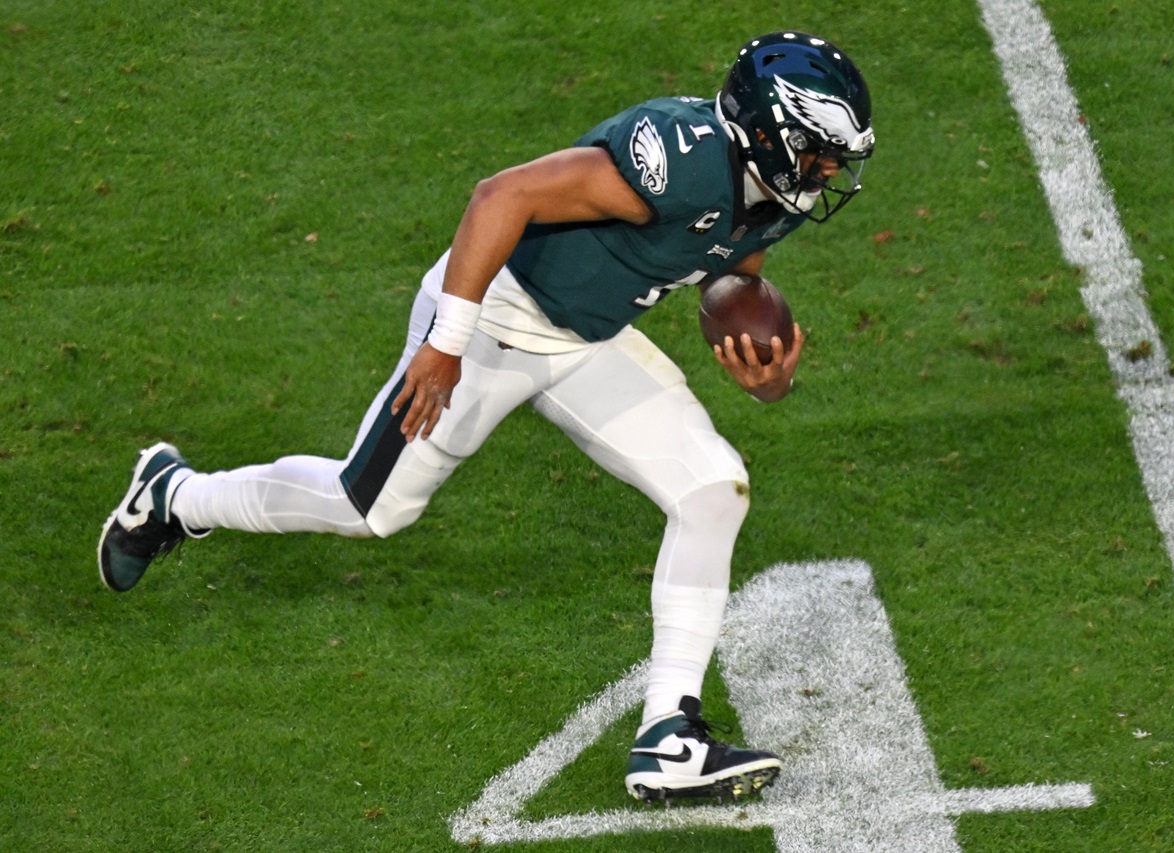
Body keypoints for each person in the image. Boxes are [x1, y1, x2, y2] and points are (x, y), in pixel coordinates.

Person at [96, 31, 875, 803]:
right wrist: (447, 340)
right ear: (767, 131)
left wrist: (764, 376)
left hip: (586, 338)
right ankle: (174, 494)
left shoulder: (780, 196)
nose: (831, 168)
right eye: (818, 149)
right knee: (367, 507)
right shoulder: (678, 155)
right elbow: (502, 196)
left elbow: (727, 278)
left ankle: (670, 735)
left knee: (713, 487)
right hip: (492, 321)